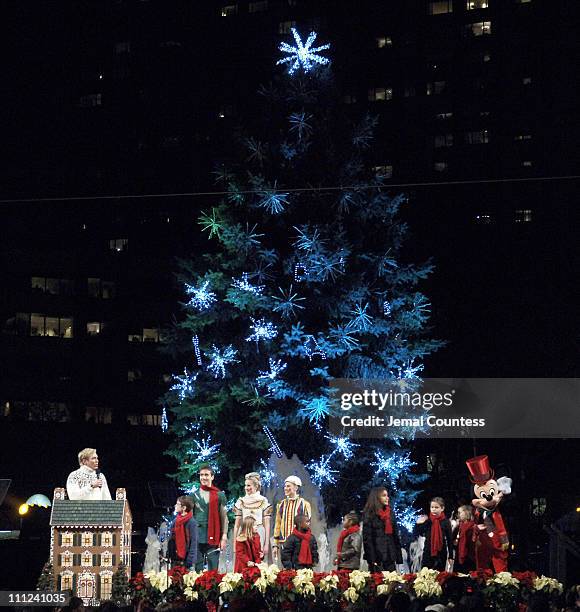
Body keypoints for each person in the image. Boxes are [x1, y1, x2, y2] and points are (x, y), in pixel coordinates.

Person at [191, 463, 228, 571]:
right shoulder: (193, 496)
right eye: (201, 475)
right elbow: (190, 518)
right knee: (197, 569)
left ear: (212, 477)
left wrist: (224, 536)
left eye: (206, 475)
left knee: (213, 570)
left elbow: (224, 517)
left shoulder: (220, 495)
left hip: (214, 536)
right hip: (197, 536)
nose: (203, 477)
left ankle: (213, 588)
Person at [362, 486, 403, 572]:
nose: (387, 498)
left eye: (387, 495)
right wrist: (372, 560)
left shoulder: (390, 513)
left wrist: (398, 557)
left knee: (392, 582)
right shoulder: (370, 514)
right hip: (377, 557)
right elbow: (367, 539)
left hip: (390, 556)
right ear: (377, 497)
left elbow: (395, 536)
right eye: (384, 495)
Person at [272, 475, 311, 561]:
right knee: (286, 569)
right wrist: (275, 545)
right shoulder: (281, 504)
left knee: (298, 568)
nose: (285, 488)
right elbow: (278, 524)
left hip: (298, 542)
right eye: (285, 486)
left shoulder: (304, 504)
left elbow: (307, 525)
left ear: (296, 487)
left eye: (288, 486)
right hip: (284, 543)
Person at [233, 472, 272, 556]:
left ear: (256, 486)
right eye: (245, 485)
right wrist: (234, 544)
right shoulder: (241, 501)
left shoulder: (263, 501)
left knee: (257, 559)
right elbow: (236, 525)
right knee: (244, 560)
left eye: (249, 485)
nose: (246, 488)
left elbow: (267, 524)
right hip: (243, 532)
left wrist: (266, 544)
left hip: (258, 532)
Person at [416, 497, 454, 571]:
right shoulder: (428, 521)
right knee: (425, 574)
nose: (433, 509)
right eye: (432, 507)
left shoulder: (445, 522)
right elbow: (420, 533)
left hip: (441, 553)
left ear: (442, 508)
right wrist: (418, 524)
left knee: (439, 576)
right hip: (428, 551)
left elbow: (449, 539)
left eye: (436, 507)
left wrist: (451, 556)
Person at [167, 496, 198, 569]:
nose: (175, 506)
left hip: (187, 559)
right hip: (175, 557)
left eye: (178, 504)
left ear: (184, 508)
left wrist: (190, 560)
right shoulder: (175, 521)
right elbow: (172, 538)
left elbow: (194, 541)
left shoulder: (192, 522)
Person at [452, 505, 476, 573]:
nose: (458, 514)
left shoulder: (471, 526)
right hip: (458, 553)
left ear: (467, 513)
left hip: (468, 554)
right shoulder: (459, 525)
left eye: (460, 512)